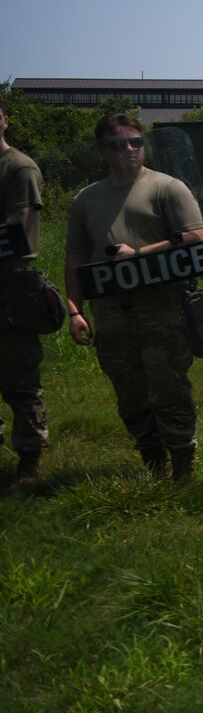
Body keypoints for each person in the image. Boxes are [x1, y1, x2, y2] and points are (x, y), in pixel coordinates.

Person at [63, 112, 203, 481]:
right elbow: (76, 257)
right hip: (110, 309)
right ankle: (152, 463)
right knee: (128, 390)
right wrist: (74, 310)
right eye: (118, 144)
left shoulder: (167, 187)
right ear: (102, 151)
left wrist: (140, 254)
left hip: (161, 305)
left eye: (135, 142)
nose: (128, 149)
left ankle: (182, 467)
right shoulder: (86, 199)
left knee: (169, 385)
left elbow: (195, 238)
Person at [0, 96, 49, 483]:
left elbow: (16, 229)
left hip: (11, 286)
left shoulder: (19, 167)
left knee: (19, 377)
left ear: (4, 121)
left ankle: (29, 459)